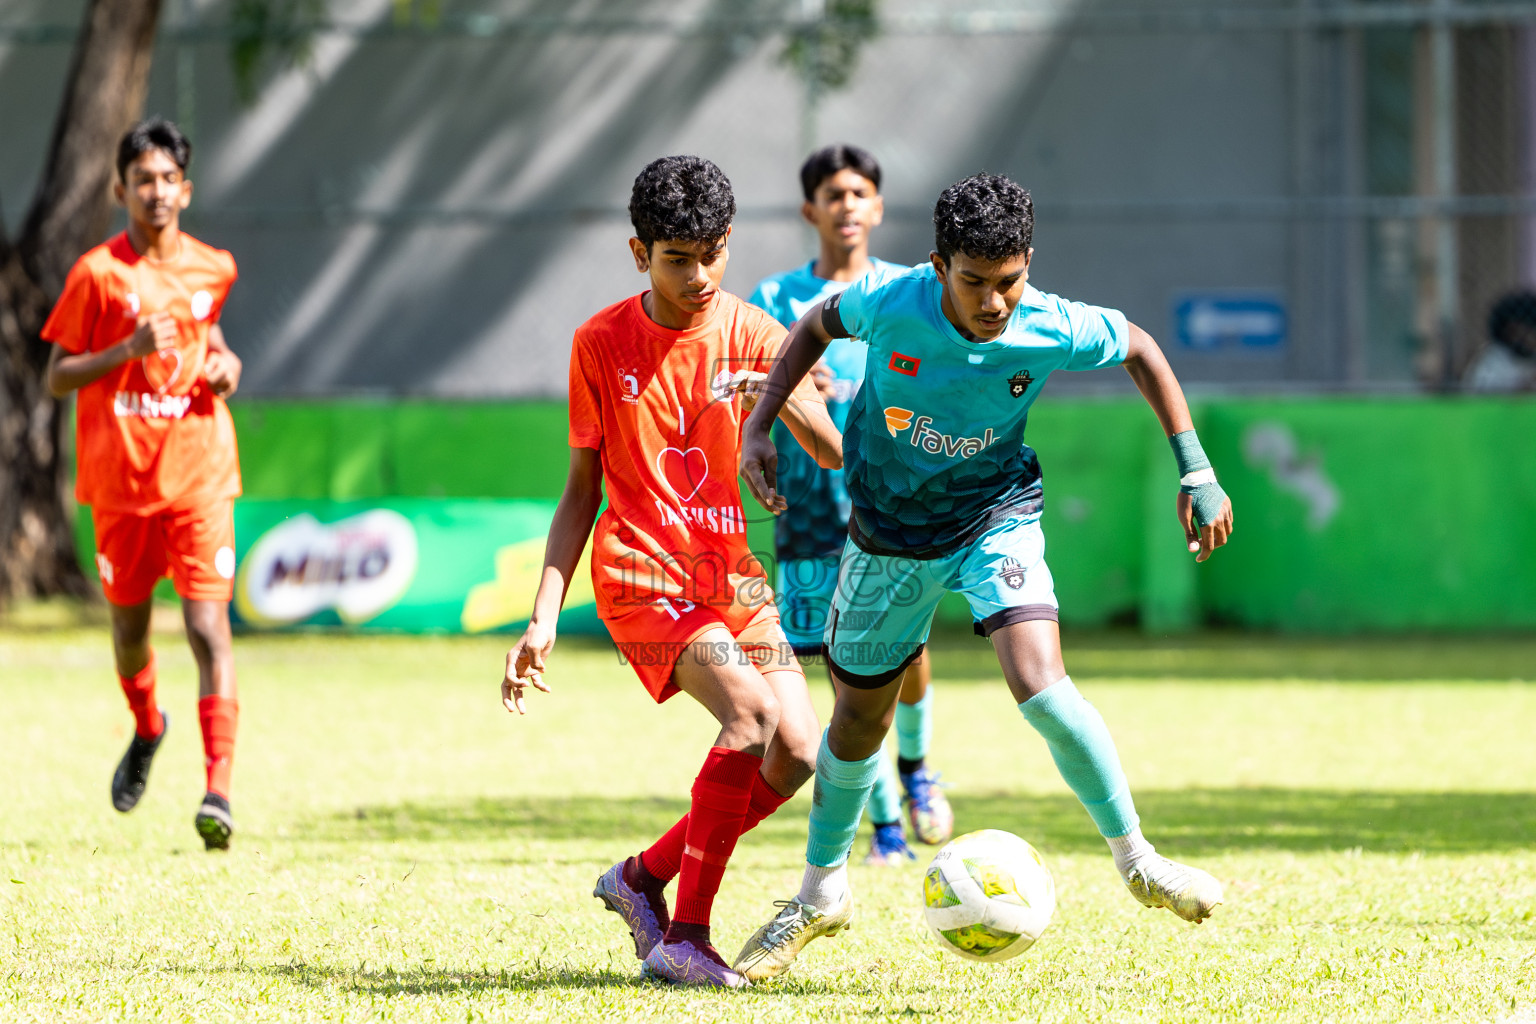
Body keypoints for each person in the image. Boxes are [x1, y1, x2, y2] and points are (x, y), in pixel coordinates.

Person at [733, 173, 1233, 981]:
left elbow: (1141, 346)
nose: (995, 302)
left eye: (1010, 281)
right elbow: (813, 326)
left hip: (995, 515)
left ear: (1028, 264)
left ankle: (1139, 861)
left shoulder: (1050, 324)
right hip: (887, 535)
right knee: (858, 720)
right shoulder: (888, 303)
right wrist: (760, 426)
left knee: (1041, 682)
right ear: (938, 267)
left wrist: (1195, 467)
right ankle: (821, 893)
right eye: (974, 282)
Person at [499, 156, 842, 988]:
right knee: (752, 714)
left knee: (799, 749)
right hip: (641, 575)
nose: (697, 276)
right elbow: (580, 492)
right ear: (637, 252)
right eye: (675, 258)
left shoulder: (757, 333)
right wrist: (543, 615)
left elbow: (831, 451)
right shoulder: (600, 342)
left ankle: (642, 878)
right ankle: (686, 935)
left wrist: (789, 391)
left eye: (712, 255)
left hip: (732, 576)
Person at [748, 144, 953, 867]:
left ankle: (918, 766)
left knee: (910, 656)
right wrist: (792, 395)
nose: (847, 205)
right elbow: (754, 377)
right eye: (833, 194)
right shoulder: (776, 299)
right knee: (846, 672)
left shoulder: (909, 288)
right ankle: (888, 830)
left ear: (878, 207)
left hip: (895, 506)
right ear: (812, 210)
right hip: (808, 509)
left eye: (860, 192)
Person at [42, 118, 242, 852]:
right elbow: (56, 374)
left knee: (206, 628)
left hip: (199, 474)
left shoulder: (213, 267)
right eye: (143, 180)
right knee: (129, 632)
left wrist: (229, 367)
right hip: (121, 483)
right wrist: (123, 351)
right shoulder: (97, 274)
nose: (156, 192)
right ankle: (148, 723)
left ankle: (218, 789)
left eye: (169, 180)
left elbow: (212, 339)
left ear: (185, 190)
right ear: (119, 188)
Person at [1464, 290, 1536, 392]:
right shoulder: (1495, 360)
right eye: (1514, 332)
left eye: (1529, 331)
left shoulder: (1532, 358)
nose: (1524, 338)